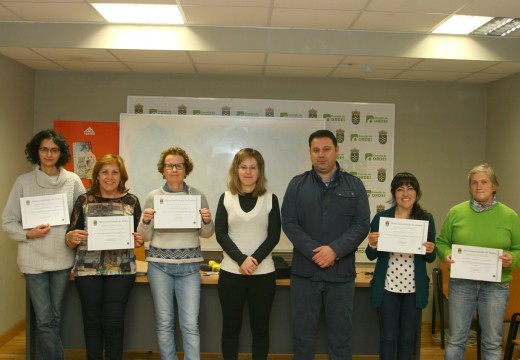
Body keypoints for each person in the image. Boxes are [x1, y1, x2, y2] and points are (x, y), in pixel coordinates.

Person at [281, 129, 371, 360]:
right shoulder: (296, 185)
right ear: (310, 153)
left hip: (341, 276)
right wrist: (316, 253)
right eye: (316, 150)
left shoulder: (355, 186)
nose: (321, 155)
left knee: (341, 339)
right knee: (302, 338)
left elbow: (361, 225)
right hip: (304, 275)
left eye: (326, 149)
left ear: (337, 150)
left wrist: (334, 251)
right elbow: (289, 223)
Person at [2, 129, 85, 360]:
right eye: (44, 149)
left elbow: (85, 212)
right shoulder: (23, 182)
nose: (49, 154)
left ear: (61, 153)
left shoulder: (73, 181)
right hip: (33, 262)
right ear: (36, 151)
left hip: (61, 259)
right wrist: (28, 234)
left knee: (53, 318)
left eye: (54, 150)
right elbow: (7, 221)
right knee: (45, 319)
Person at [137, 146, 214, 360]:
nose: (174, 169)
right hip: (159, 266)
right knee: (164, 323)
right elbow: (143, 236)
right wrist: (145, 220)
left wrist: (207, 220)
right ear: (162, 170)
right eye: (169, 166)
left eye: (178, 165)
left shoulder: (197, 195)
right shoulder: (153, 196)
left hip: (190, 267)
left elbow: (207, 234)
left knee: (190, 324)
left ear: (185, 169)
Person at [436, 163, 520, 360]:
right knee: (456, 340)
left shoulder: (509, 215)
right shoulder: (456, 212)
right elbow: (442, 242)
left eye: (484, 182)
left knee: (492, 343)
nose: (479, 186)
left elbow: (518, 249)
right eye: (474, 183)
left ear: (494, 186)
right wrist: (446, 254)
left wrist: (513, 258)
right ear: (469, 187)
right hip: (461, 285)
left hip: (495, 286)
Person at [65, 154, 143, 360]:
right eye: (104, 172)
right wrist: (71, 237)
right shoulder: (84, 200)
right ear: (97, 175)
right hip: (87, 269)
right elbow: (70, 234)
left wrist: (139, 240)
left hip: (122, 269)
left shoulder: (131, 201)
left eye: (114, 172)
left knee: (114, 322)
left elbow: (138, 234)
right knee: (91, 321)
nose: (110, 177)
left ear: (121, 175)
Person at [215, 148, 281, 360]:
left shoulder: (271, 199)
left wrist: (254, 260)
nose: (248, 172)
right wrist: (242, 259)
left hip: (263, 276)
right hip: (230, 274)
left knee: (260, 329)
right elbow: (221, 233)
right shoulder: (225, 198)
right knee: (230, 328)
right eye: (243, 167)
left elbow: (273, 235)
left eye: (253, 167)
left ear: (260, 171)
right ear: (236, 170)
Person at [366, 172, 436, 360]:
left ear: (417, 193)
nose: (405, 193)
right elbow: (370, 254)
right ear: (393, 193)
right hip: (388, 287)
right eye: (400, 189)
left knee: (407, 339)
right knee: (388, 337)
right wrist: (372, 243)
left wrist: (430, 249)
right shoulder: (382, 218)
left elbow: (431, 258)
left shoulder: (426, 219)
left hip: (414, 289)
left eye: (410, 188)